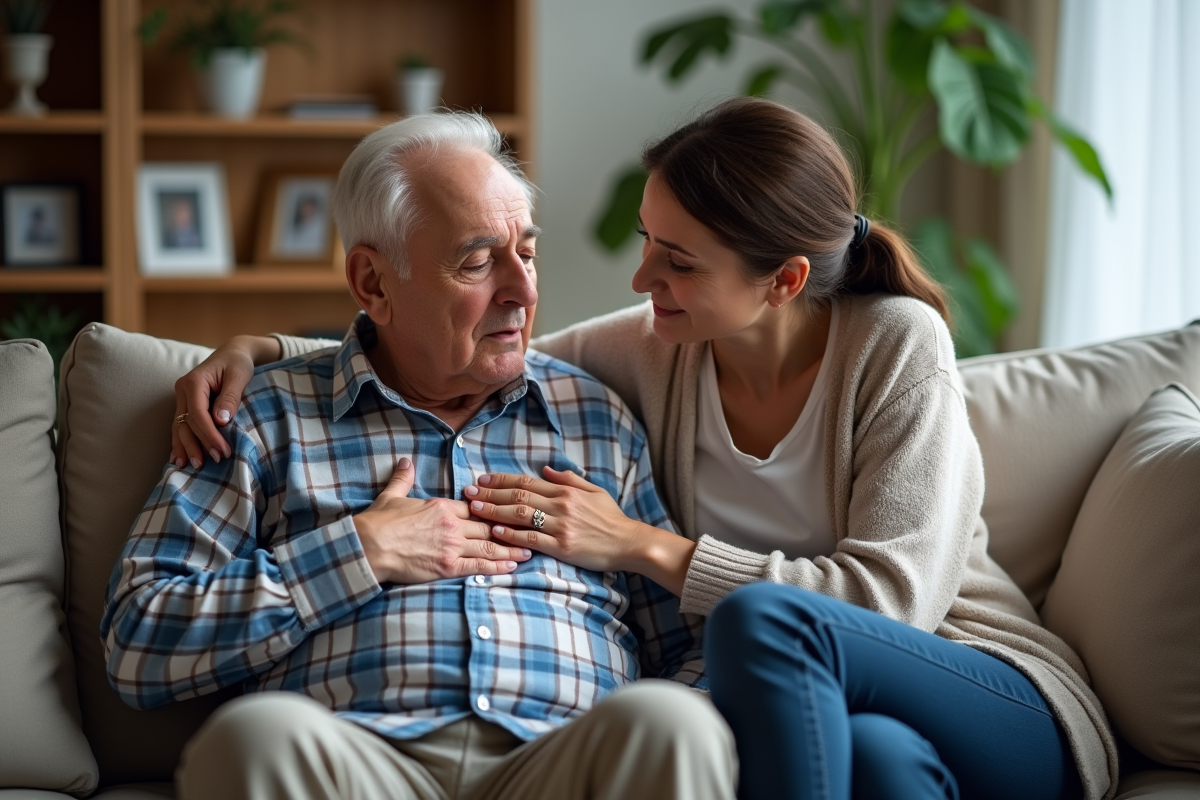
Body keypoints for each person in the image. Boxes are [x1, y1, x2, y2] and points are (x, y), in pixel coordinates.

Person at [174, 98, 1117, 800]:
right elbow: (457, 345)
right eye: (648, 242)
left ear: (783, 280)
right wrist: (256, 355)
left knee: (759, 624)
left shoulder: (896, 344)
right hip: (848, 717)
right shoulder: (654, 345)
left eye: (678, 260)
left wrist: (639, 547)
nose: (640, 277)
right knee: (871, 762)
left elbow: (895, 603)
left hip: (977, 676)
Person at [103, 112, 736, 800]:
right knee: (253, 738)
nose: (522, 291)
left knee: (674, 722)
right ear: (373, 283)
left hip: (562, 764)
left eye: (525, 252)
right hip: (358, 763)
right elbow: (139, 645)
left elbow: (695, 642)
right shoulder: (264, 416)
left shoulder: (594, 416)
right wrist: (358, 554)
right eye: (476, 262)